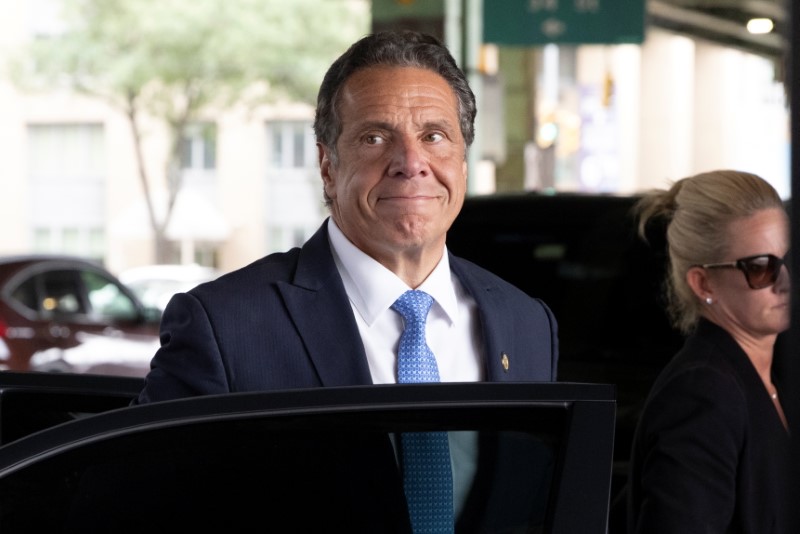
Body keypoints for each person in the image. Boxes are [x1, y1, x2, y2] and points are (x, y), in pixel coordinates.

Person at [132, 30, 559, 532]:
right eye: (375, 137)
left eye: (434, 136)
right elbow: (138, 511)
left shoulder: (526, 323)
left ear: (462, 161)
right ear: (327, 166)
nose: (411, 163)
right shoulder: (225, 328)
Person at [627, 170, 794, 534]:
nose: (784, 281)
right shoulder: (704, 392)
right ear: (703, 284)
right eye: (760, 268)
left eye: (789, 259)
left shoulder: (770, 376)